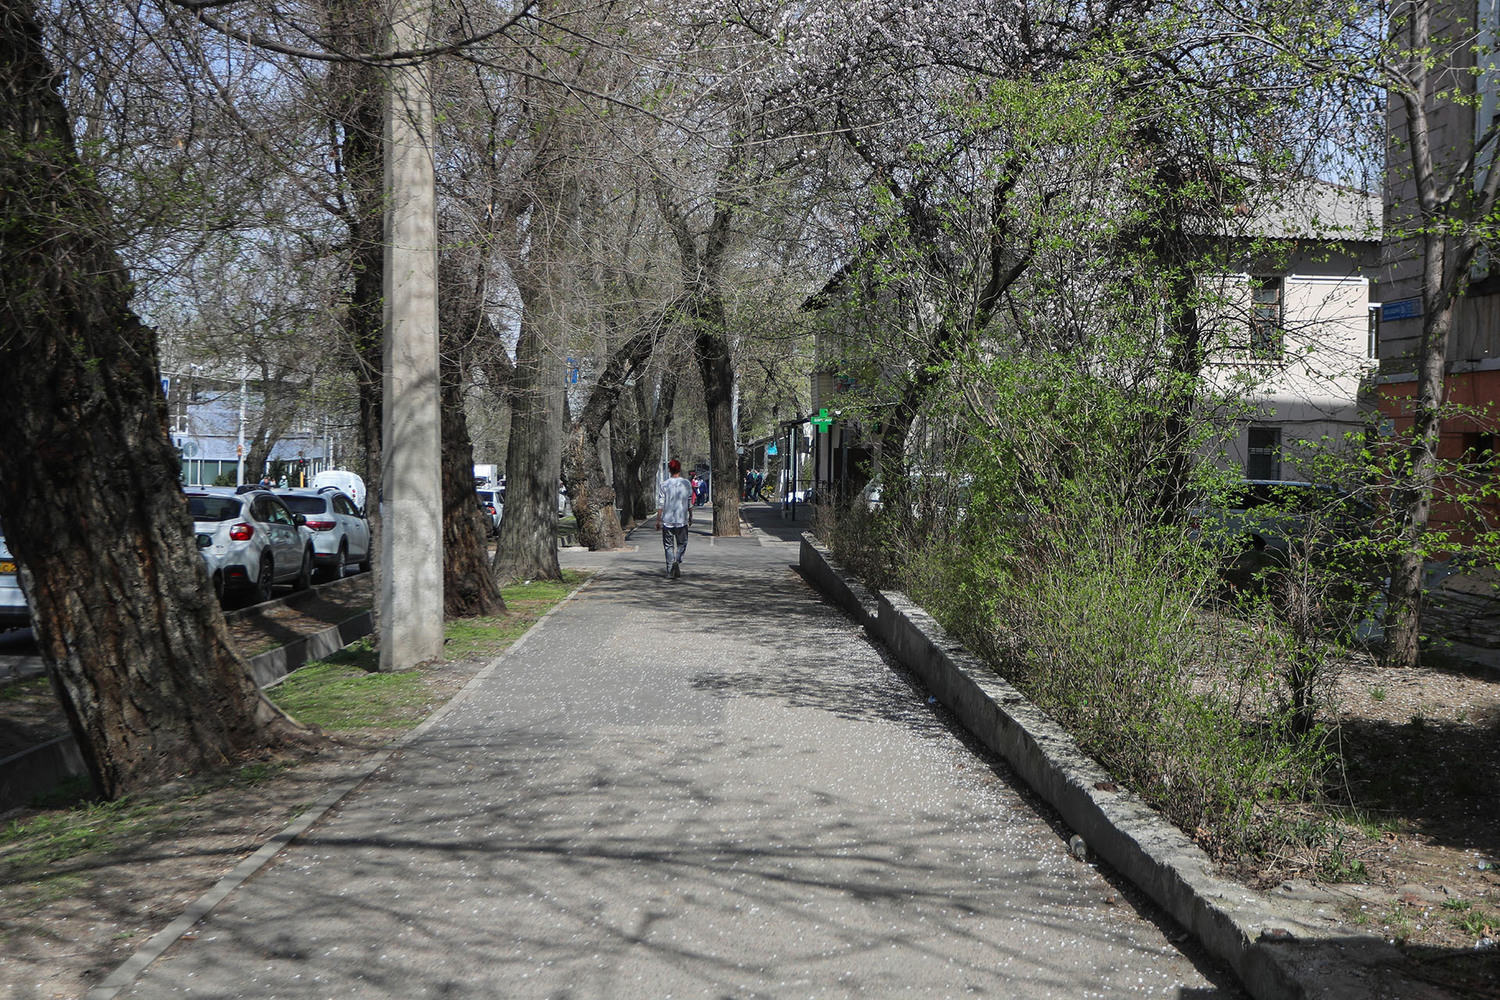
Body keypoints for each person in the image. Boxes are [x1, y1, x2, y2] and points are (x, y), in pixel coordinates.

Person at [655, 459, 694, 578]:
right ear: (679, 469)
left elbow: (661, 503)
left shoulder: (664, 484)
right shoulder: (686, 483)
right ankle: (677, 559)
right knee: (682, 543)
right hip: (681, 520)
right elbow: (689, 501)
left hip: (668, 520)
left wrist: (658, 519)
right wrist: (690, 515)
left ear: (669, 470)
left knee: (668, 545)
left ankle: (670, 570)